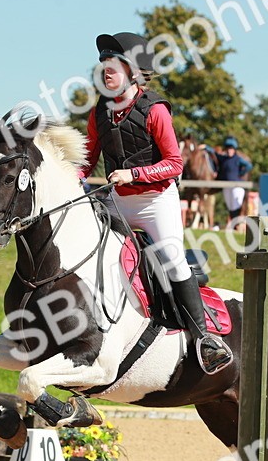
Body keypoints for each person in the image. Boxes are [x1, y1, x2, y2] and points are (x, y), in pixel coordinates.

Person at [79, 31, 231, 375]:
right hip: (116, 201)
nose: (106, 69)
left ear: (133, 71)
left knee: (174, 261)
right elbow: (87, 161)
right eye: (103, 63)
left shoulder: (155, 109)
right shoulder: (99, 112)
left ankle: (204, 339)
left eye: (113, 63)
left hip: (155, 202)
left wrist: (133, 175)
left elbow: (174, 164)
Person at [213, 136, 252, 225]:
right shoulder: (224, 159)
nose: (229, 151)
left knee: (236, 205)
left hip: (236, 186)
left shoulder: (238, 159)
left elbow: (248, 166)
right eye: (228, 149)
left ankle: (236, 225)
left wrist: (241, 174)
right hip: (227, 186)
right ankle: (235, 225)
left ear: (234, 150)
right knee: (230, 207)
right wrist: (205, 147)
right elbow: (215, 154)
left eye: (231, 149)